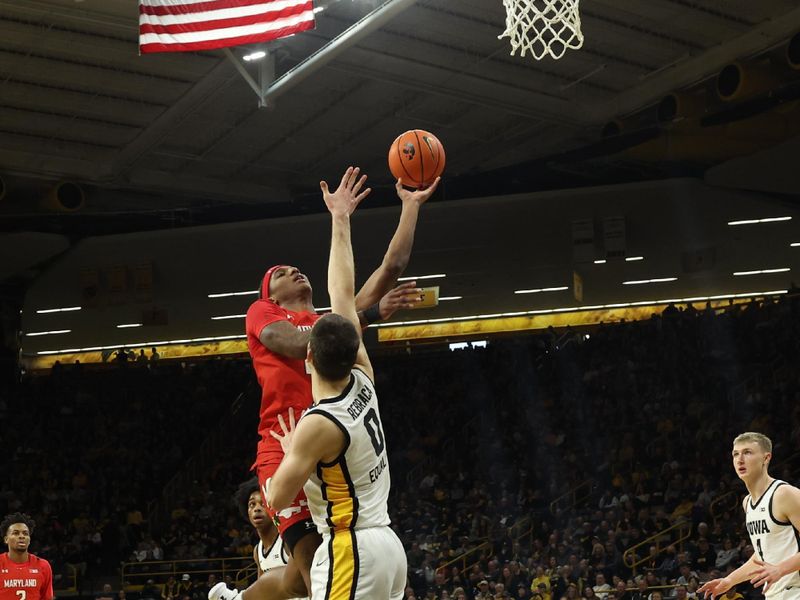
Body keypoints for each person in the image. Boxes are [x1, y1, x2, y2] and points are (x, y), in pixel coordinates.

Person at [212, 168, 437, 600]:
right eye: (282, 271)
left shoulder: (332, 325)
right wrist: (360, 318)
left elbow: (390, 267)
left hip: (323, 434)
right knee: (310, 571)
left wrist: (405, 209)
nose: (294, 270)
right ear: (270, 296)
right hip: (284, 442)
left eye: (296, 267)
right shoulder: (264, 313)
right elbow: (295, 344)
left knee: (308, 578)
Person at [261, 165, 409, 598]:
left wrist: (290, 451)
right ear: (353, 349)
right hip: (387, 544)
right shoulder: (364, 379)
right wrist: (339, 219)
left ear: (308, 355)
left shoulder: (317, 423)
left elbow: (274, 500)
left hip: (351, 548)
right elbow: (343, 294)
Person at [698, 432, 800, 599]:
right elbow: (762, 555)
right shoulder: (747, 503)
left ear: (766, 458)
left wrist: (781, 569)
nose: (740, 459)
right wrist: (729, 581)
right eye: (735, 454)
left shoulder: (783, 494)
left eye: (747, 452)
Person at [233, 477, 304, 598]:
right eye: (252, 504)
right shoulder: (257, 551)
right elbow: (262, 595)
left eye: (263, 503)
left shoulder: (288, 541)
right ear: (247, 511)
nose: (257, 508)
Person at [0, 513, 53, 600]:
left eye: (25, 533)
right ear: (6, 539)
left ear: (29, 539)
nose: (21, 536)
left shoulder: (43, 566)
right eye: (16, 533)